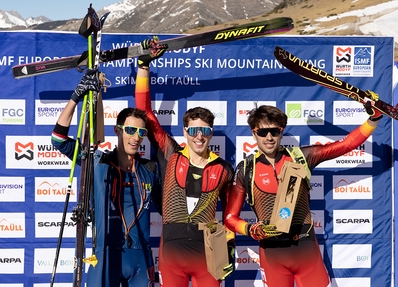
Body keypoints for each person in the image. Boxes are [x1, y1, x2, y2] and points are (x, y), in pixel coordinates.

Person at [224, 101, 383, 287]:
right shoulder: (245, 169)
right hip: (272, 253)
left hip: (306, 249)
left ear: (281, 132)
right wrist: (250, 229)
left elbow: (346, 145)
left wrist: (373, 119)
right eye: (262, 132)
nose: (269, 137)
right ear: (254, 133)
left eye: (274, 131)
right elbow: (229, 217)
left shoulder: (301, 157)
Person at [134, 38, 235, 287]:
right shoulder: (171, 153)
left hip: (209, 250)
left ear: (211, 133)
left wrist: (229, 246)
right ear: (184, 131)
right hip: (173, 249)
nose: (199, 136)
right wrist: (144, 66)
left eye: (205, 130)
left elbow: (231, 215)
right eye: (193, 130)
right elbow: (145, 113)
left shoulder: (224, 168)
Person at [51, 70, 161, 287]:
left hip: (141, 256)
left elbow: (169, 210)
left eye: (141, 132)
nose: (136, 137)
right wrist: (76, 96)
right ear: (117, 130)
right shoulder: (98, 163)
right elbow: (59, 139)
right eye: (130, 130)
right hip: (103, 253)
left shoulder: (149, 169)